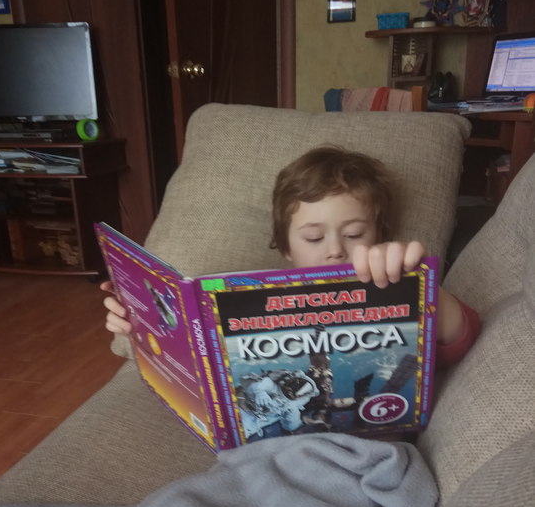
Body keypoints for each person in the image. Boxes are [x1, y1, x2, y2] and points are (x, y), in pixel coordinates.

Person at [102, 145, 480, 367]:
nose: (335, 249)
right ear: (285, 247)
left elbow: (460, 337)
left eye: (354, 234)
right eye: (313, 237)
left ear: (379, 236)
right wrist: (140, 318)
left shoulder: (393, 285)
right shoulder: (255, 303)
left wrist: (418, 286)